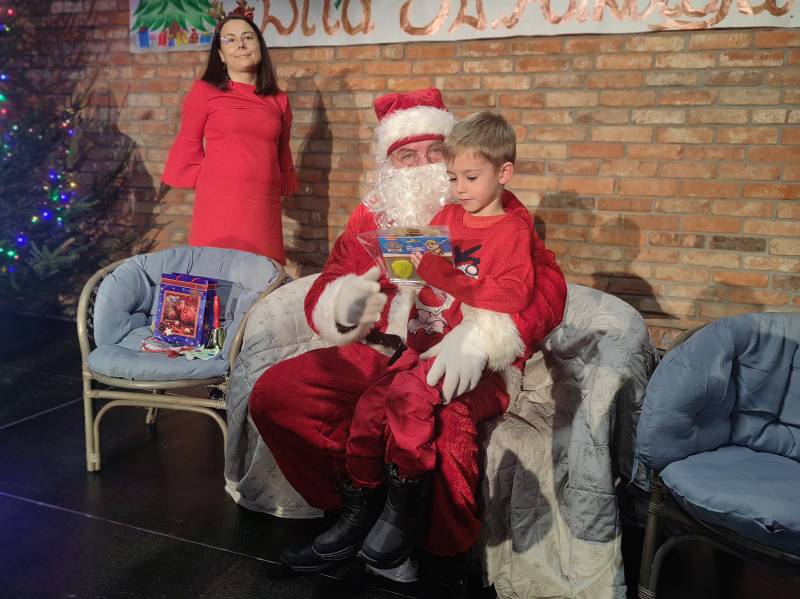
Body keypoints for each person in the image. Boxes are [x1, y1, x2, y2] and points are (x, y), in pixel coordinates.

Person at [248, 89, 566, 585]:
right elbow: (332, 280)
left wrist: (483, 336)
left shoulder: (497, 211)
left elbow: (547, 288)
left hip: (455, 353)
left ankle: (435, 555)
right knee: (278, 394)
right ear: (388, 163)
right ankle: (353, 513)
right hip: (381, 348)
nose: (424, 166)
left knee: (441, 426)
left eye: (436, 152)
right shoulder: (370, 215)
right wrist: (345, 304)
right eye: (407, 155)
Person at [345, 111, 538, 571]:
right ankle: (361, 501)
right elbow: (425, 271)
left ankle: (405, 504)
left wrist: (440, 273)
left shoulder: (512, 229)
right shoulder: (448, 214)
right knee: (372, 403)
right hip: (427, 343)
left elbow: (514, 294)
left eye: (470, 178)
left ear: (504, 173)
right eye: (452, 178)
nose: (459, 188)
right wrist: (402, 265)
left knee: (409, 399)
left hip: (474, 358)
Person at [160, 6, 297, 263]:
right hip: (219, 200)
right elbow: (189, 140)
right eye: (230, 40)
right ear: (221, 55)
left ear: (259, 45)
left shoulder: (279, 99)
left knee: (264, 273)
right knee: (215, 270)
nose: (241, 45)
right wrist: (211, 178)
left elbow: (282, 151)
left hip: (263, 202)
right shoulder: (204, 91)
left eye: (248, 37)